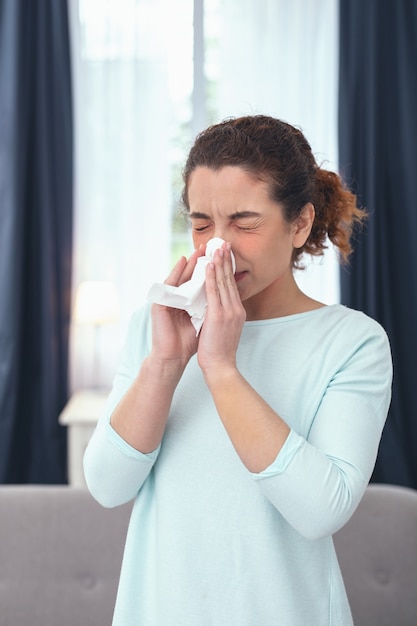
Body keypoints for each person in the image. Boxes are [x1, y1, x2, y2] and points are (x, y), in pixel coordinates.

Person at [84, 115, 392, 626]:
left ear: (299, 223)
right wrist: (165, 363)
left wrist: (221, 370)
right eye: (201, 222)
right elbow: (108, 486)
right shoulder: (158, 326)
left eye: (245, 222)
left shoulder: (352, 342)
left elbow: (321, 510)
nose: (216, 247)